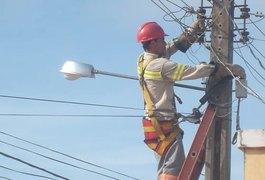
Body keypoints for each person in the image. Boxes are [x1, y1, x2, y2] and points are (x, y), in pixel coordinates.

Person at [136, 21, 246, 180]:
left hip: (152, 126)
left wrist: (192, 32)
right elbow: (192, 71)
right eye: (161, 40)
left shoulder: (143, 60)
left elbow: (170, 48)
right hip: (163, 124)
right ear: (153, 42)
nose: (164, 42)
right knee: (174, 167)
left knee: (165, 166)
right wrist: (221, 69)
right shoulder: (160, 66)